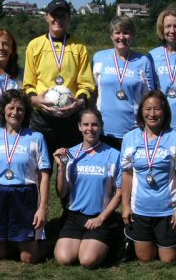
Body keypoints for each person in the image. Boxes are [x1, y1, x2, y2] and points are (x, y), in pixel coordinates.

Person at [0, 89, 51, 264]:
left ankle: (42, 243)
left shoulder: (36, 137)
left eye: (20, 109)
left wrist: (42, 207)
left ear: (26, 112)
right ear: (2, 110)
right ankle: (14, 240)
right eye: (11, 108)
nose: (15, 113)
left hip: (24, 194)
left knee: (28, 258)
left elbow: (44, 175)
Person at [120, 90, 176, 263]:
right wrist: (126, 206)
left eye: (157, 109)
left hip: (167, 208)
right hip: (140, 208)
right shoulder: (130, 138)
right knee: (145, 258)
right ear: (141, 111)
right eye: (148, 109)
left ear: (164, 112)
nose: (152, 114)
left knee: (169, 260)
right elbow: (127, 174)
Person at [23, 0, 95, 155]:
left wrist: (79, 102)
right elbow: (28, 84)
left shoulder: (79, 46)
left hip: (71, 117)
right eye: (54, 15)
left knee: (70, 167)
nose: (58, 19)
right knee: (42, 169)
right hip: (42, 118)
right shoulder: (34, 45)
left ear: (69, 18)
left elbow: (87, 83)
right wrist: (35, 100)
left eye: (62, 15)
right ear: (47, 17)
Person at [53, 108, 121, 269]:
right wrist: (61, 168)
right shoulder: (70, 154)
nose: (90, 129)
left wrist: (101, 218)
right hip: (74, 216)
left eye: (94, 125)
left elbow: (120, 193)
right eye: (86, 125)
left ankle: (114, 239)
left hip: (100, 217)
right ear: (79, 127)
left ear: (101, 126)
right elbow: (61, 193)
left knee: (87, 261)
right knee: (64, 259)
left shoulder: (114, 155)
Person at [93, 16, 154, 150]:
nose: (122, 37)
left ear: (132, 35)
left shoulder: (143, 61)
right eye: (117, 32)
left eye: (126, 32)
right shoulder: (99, 58)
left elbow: (149, 97)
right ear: (111, 35)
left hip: (133, 130)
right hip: (103, 129)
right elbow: (93, 91)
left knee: (130, 170)